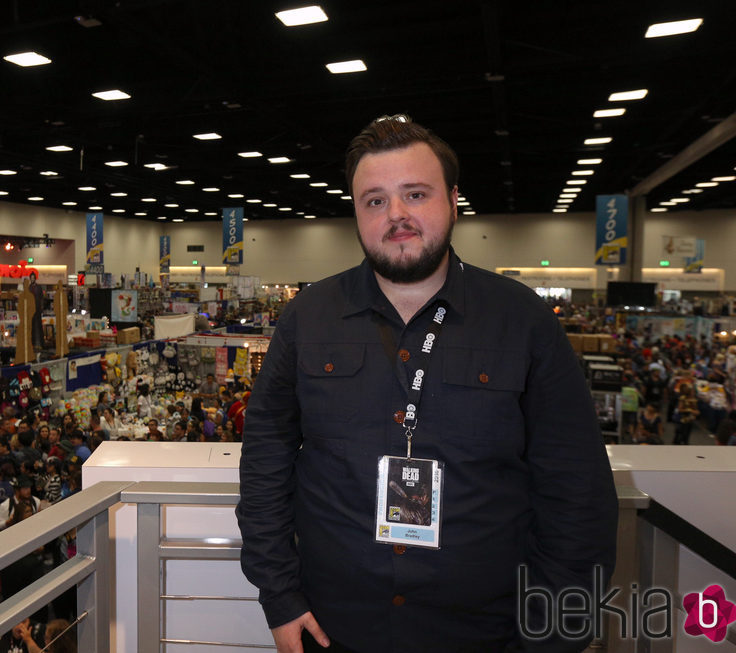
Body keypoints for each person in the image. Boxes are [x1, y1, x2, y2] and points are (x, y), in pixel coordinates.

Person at [236, 115, 618, 653]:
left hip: (488, 631)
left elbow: (577, 491)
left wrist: (552, 635)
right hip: (333, 627)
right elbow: (266, 459)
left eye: (415, 194)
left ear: (454, 200)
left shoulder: (522, 320)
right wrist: (279, 595)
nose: (396, 215)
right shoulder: (308, 317)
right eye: (374, 200)